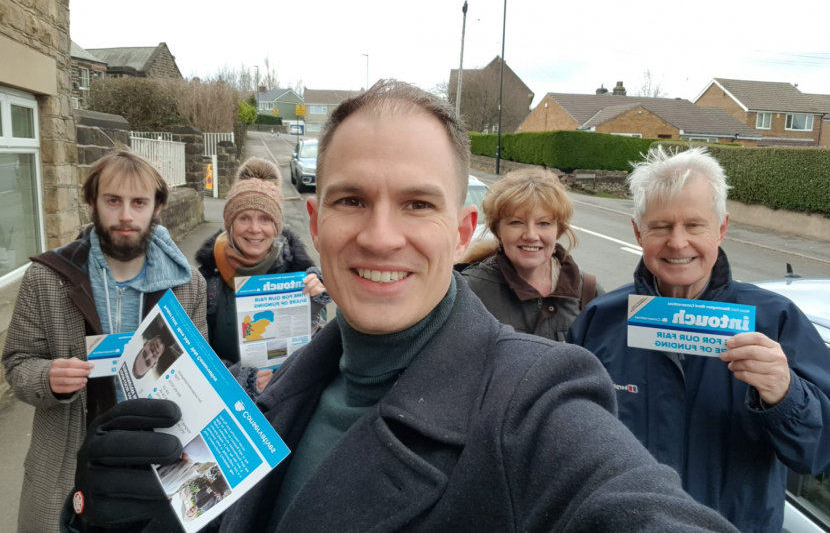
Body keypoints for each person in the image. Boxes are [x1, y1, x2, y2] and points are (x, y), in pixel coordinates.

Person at [63, 82, 740, 533]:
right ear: (316, 220)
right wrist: (96, 515)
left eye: (417, 203)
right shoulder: (272, 399)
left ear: (460, 228)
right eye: (352, 200)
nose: (380, 235)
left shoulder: (535, 401)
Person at [568, 146, 830, 532]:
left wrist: (785, 394)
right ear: (639, 232)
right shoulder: (600, 320)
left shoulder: (776, 320)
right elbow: (571, 443)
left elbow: (818, 456)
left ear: (721, 228)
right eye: (661, 227)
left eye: (694, 225)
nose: (677, 242)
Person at [2, 149, 207, 533]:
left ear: (157, 207)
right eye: (113, 201)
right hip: (67, 458)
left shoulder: (188, 286)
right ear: (92, 202)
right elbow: (17, 362)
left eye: (138, 202)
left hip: (152, 460)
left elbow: (197, 375)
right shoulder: (47, 278)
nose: (126, 215)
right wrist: (46, 377)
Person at [195, 157, 329, 392]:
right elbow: (194, 358)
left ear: (276, 225)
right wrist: (240, 378)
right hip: (226, 405)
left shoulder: (299, 277)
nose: (255, 229)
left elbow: (317, 360)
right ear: (230, 224)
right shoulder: (205, 281)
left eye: (265, 219)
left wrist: (315, 317)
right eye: (244, 218)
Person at [459, 169, 603, 341]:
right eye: (516, 222)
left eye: (543, 223)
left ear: (558, 230)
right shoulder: (468, 290)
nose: (531, 235)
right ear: (497, 229)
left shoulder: (587, 291)